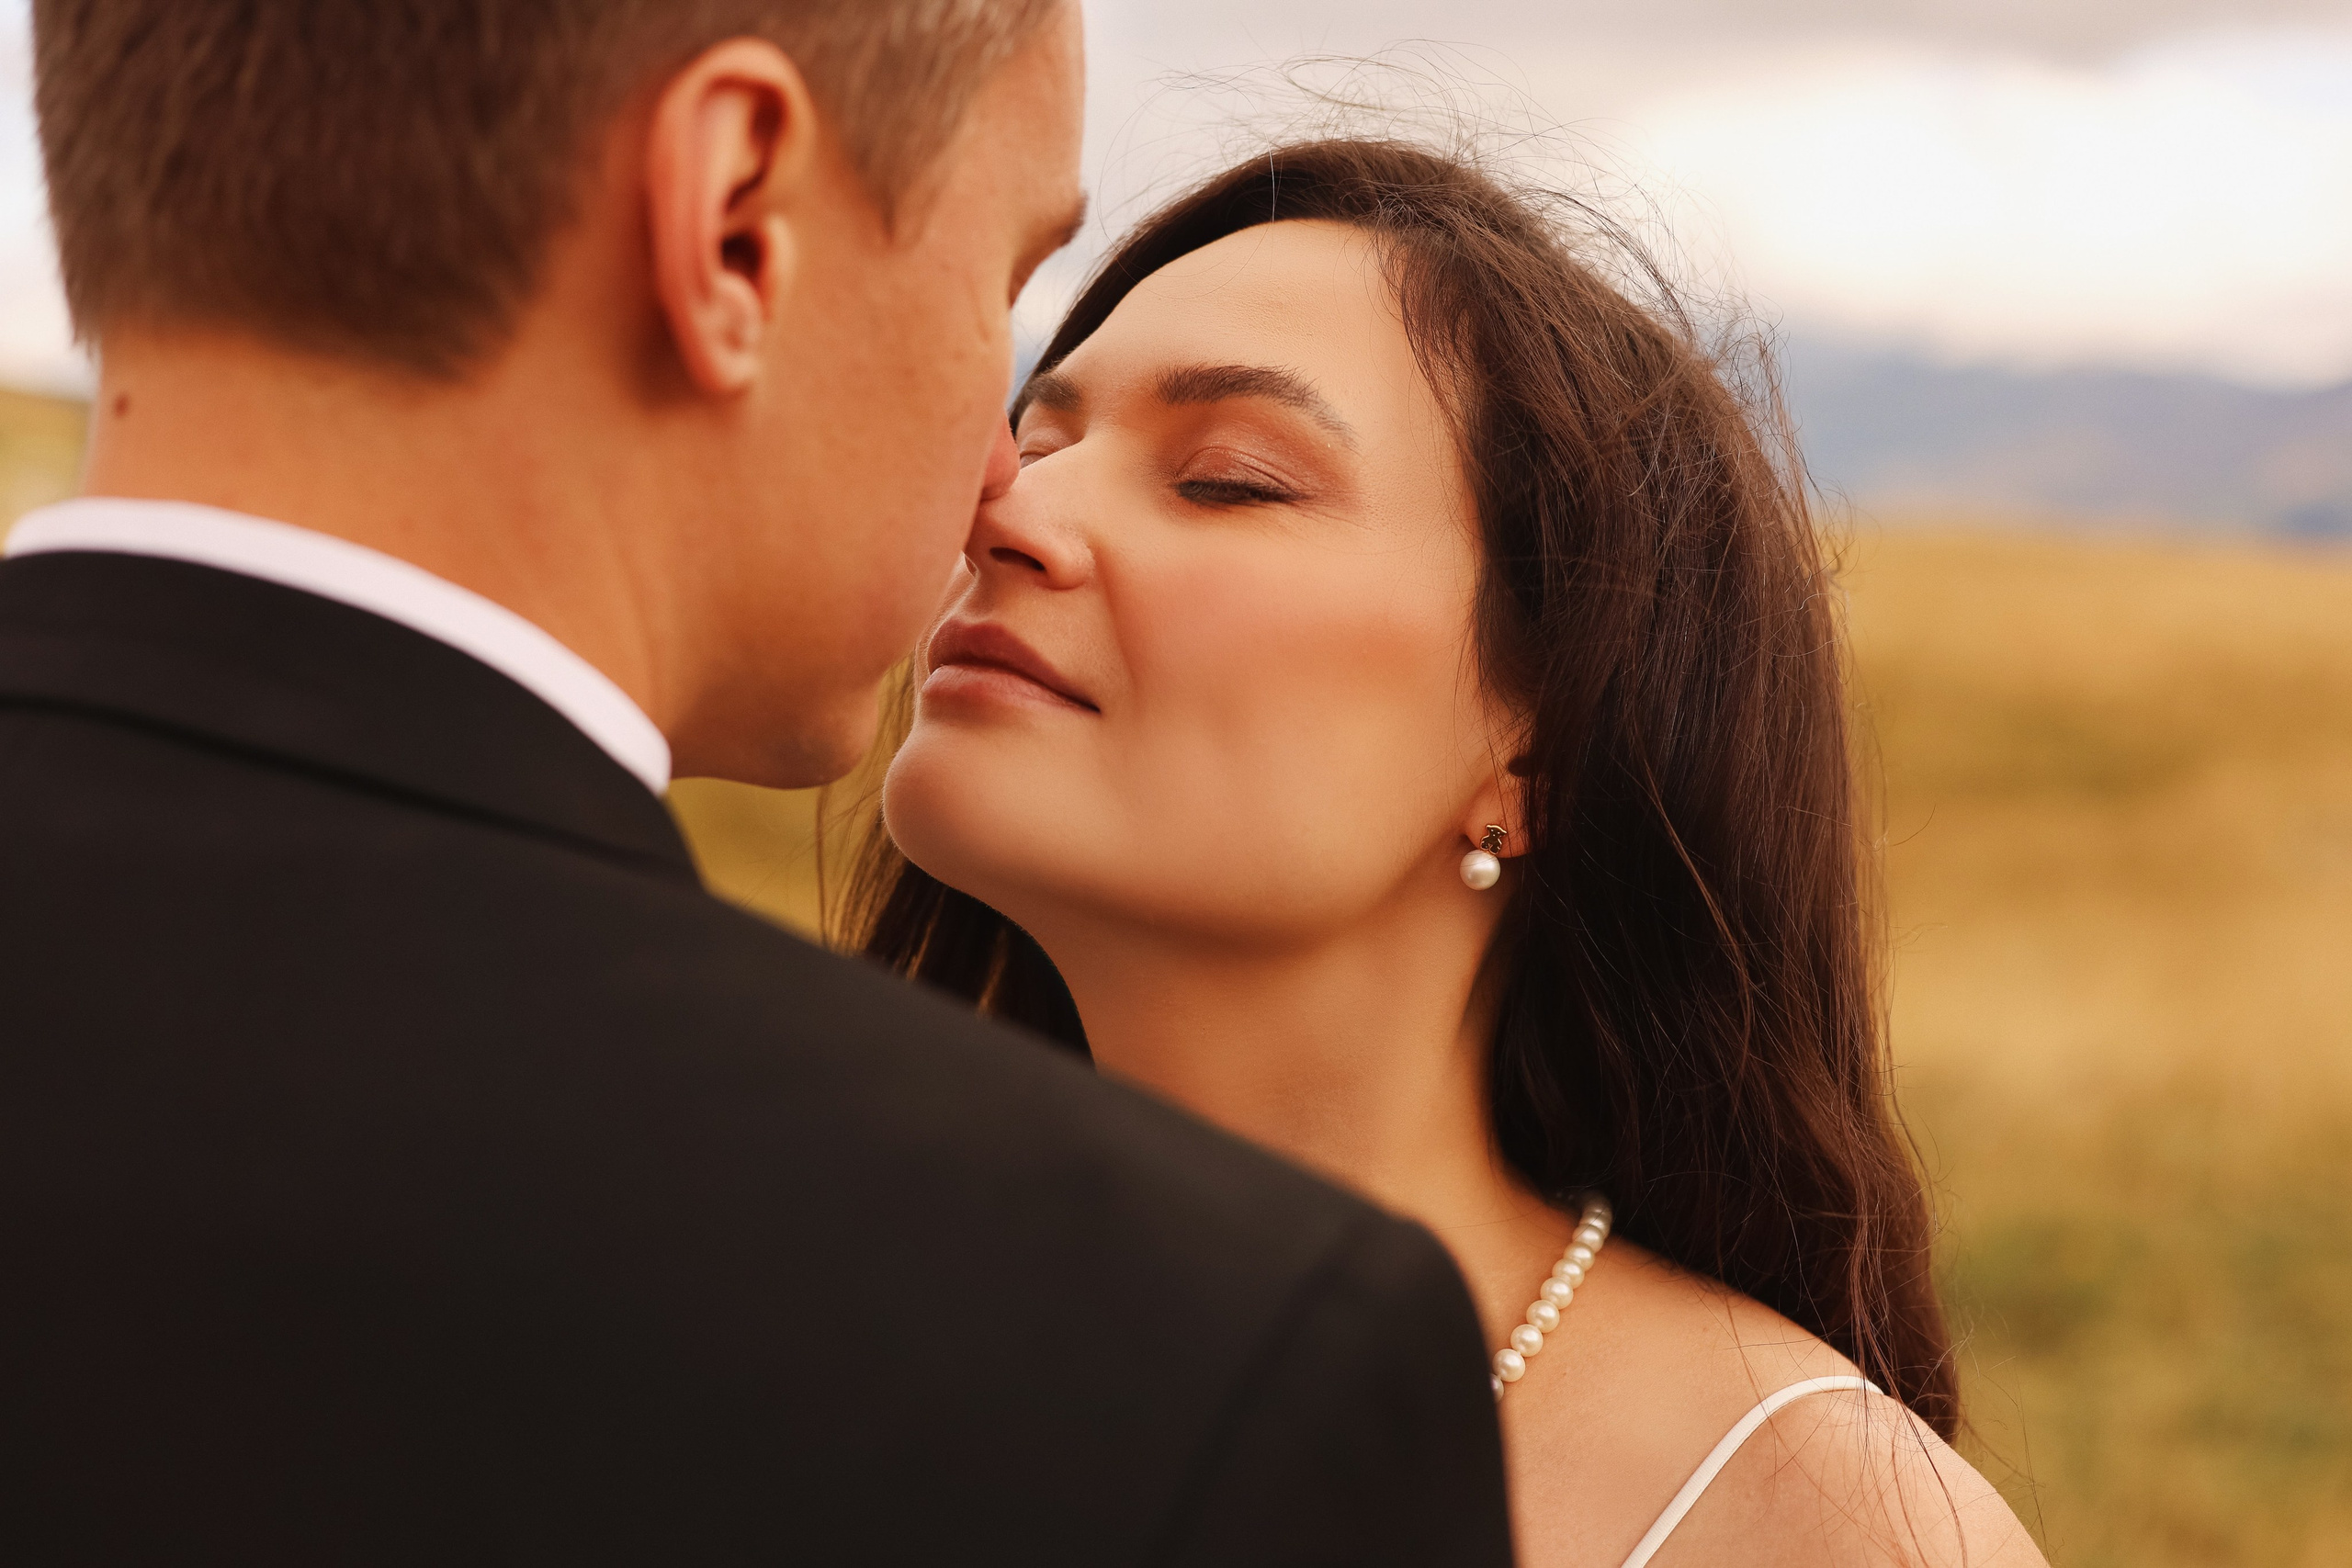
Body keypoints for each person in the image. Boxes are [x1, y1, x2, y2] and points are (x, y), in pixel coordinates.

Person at [0, 7, 1514, 1562]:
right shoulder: (1178, 1370)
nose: (1006, 489)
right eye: (1000, 286)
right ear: (731, 221)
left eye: (1226, 482)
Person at [859, 140, 2052, 1566]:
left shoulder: (1810, 1521)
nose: (1008, 512)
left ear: (1536, 759)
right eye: (1037, 442)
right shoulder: (768, 1317)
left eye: (1230, 479)